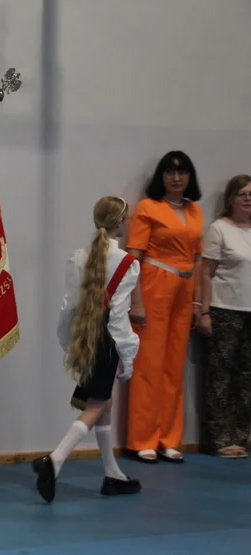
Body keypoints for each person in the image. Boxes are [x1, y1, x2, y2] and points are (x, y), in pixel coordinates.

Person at [32, 196, 142, 503]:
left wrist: (68, 342)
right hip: (108, 340)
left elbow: (69, 308)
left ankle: (112, 473)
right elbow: (118, 315)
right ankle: (54, 461)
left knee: (101, 402)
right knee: (95, 405)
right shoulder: (128, 264)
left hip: (86, 336)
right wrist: (128, 354)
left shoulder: (78, 258)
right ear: (120, 222)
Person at [125, 151, 204, 463]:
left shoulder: (195, 210)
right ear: (161, 177)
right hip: (155, 283)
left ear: (189, 177)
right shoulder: (148, 207)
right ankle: (142, 437)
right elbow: (133, 256)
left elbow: (197, 258)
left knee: (174, 365)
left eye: (182, 172)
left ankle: (169, 438)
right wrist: (136, 300)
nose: (176, 178)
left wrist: (199, 301)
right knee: (148, 363)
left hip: (185, 288)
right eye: (170, 172)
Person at [196, 174, 251, 458]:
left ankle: (242, 435)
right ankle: (219, 438)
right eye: (241, 193)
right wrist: (203, 310)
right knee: (220, 376)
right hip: (224, 310)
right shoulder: (219, 229)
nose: (247, 198)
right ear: (231, 198)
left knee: (246, 378)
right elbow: (205, 273)